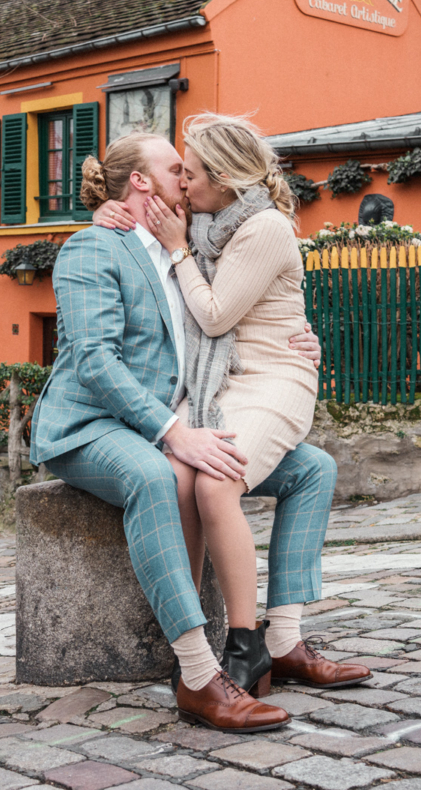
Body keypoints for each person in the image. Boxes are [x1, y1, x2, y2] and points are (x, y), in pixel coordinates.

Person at [29, 130, 365, 734]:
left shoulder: (190, 248)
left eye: (191, 172)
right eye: (175, 170)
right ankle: (196, 674)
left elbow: (242, 310)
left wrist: (303, 340)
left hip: (177, 417)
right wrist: (172, 431)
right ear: (140, 182)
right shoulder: (93, 247)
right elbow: (92, 360)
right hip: (92, 425)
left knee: (312, 467)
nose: (186, 180)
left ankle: (282, 641)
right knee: (163, 476)